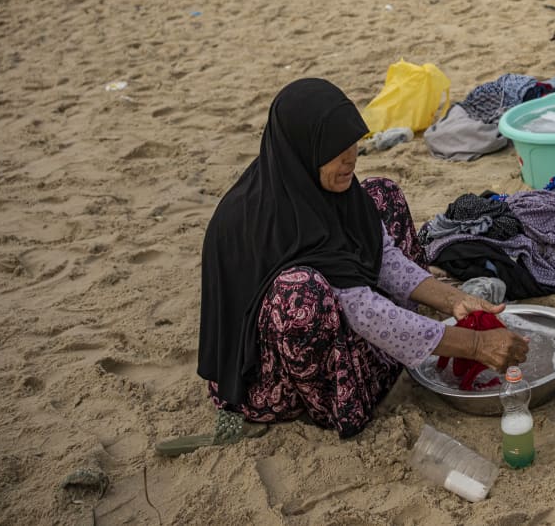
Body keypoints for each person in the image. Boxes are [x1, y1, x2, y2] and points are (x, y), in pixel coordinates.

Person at [157, 79, 527, 452]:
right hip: (275, 378)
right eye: (336, 149)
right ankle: (338, 401)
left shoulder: (310, 185)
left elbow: (384, 258)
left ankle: (401, 350)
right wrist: (477, 345)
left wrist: (453, 301)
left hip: (347, 320)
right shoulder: (262, 219)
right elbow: (362, 309)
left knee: (381, 195)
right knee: (301, 292)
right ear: (305, 149)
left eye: (352, 143)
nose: (351, 157)